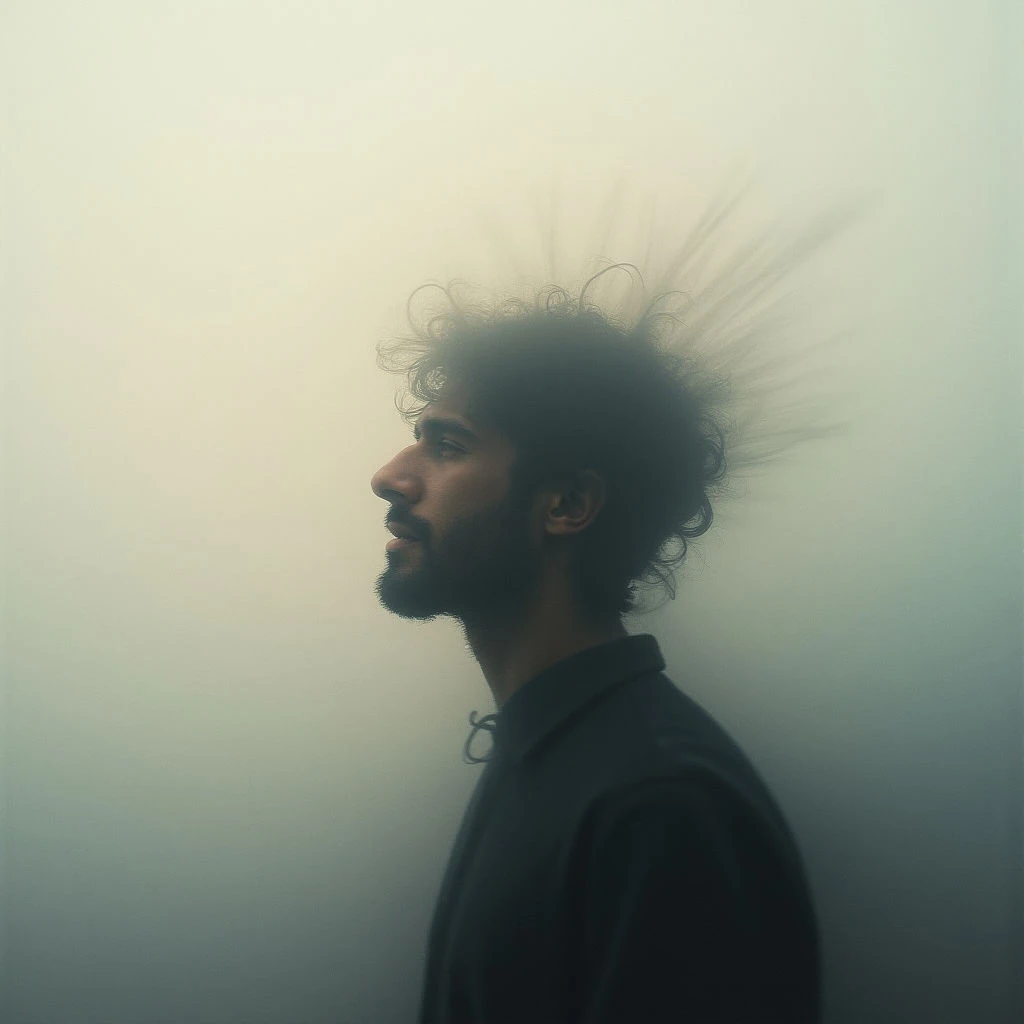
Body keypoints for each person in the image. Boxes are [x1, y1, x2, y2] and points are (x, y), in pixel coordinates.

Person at [369, 254, 828, 1022]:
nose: (389, 475)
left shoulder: (660, 803)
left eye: (447, 446)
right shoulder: (552, 751)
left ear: (569, 504)